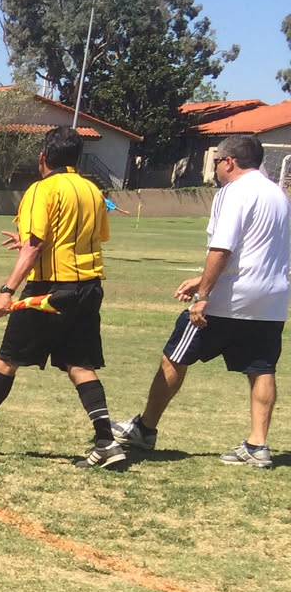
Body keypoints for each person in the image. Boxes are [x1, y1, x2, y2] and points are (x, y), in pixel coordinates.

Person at [0, 126, 126, 470]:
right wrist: (27, 242)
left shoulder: (41, 189)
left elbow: (36, 246)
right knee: (79, 364)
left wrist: (6, 291)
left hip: (48, 290)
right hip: (88, 287)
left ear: (43, 157)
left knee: (6, 359)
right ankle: (106, 443)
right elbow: (79, 237)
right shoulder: (93, 190)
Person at [113, 134, 287, 469]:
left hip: (230, 299)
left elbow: (223, 247)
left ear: (229, 162)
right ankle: (257, 445)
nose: (216, 168)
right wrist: (201, 279)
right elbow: (255, 249)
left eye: (217, 161)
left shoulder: (233, 192)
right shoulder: (277, 194)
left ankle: (145, 429)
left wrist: (203, 295)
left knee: (175, 356)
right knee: (261, 368)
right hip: (271, 299)